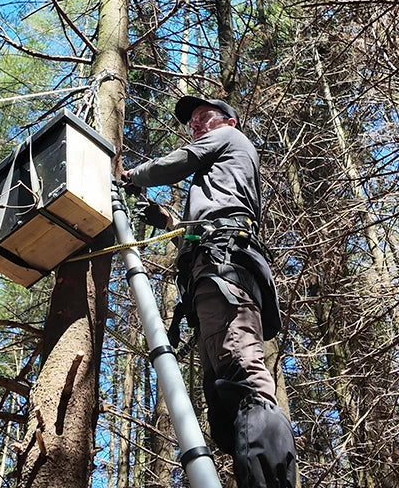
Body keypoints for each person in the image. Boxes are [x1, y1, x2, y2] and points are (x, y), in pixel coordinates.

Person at [121, 96, 297, 488]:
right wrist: (167, 219)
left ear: (229, 122)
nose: (197, 125)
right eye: (193, 122)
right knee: (223, 410)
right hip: (214, 271)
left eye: (205, 117)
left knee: (242, 379)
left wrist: (128, 175)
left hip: (225, 268)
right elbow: (209, 218)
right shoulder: (223, 176)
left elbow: (179, 162)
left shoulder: (231, 140)